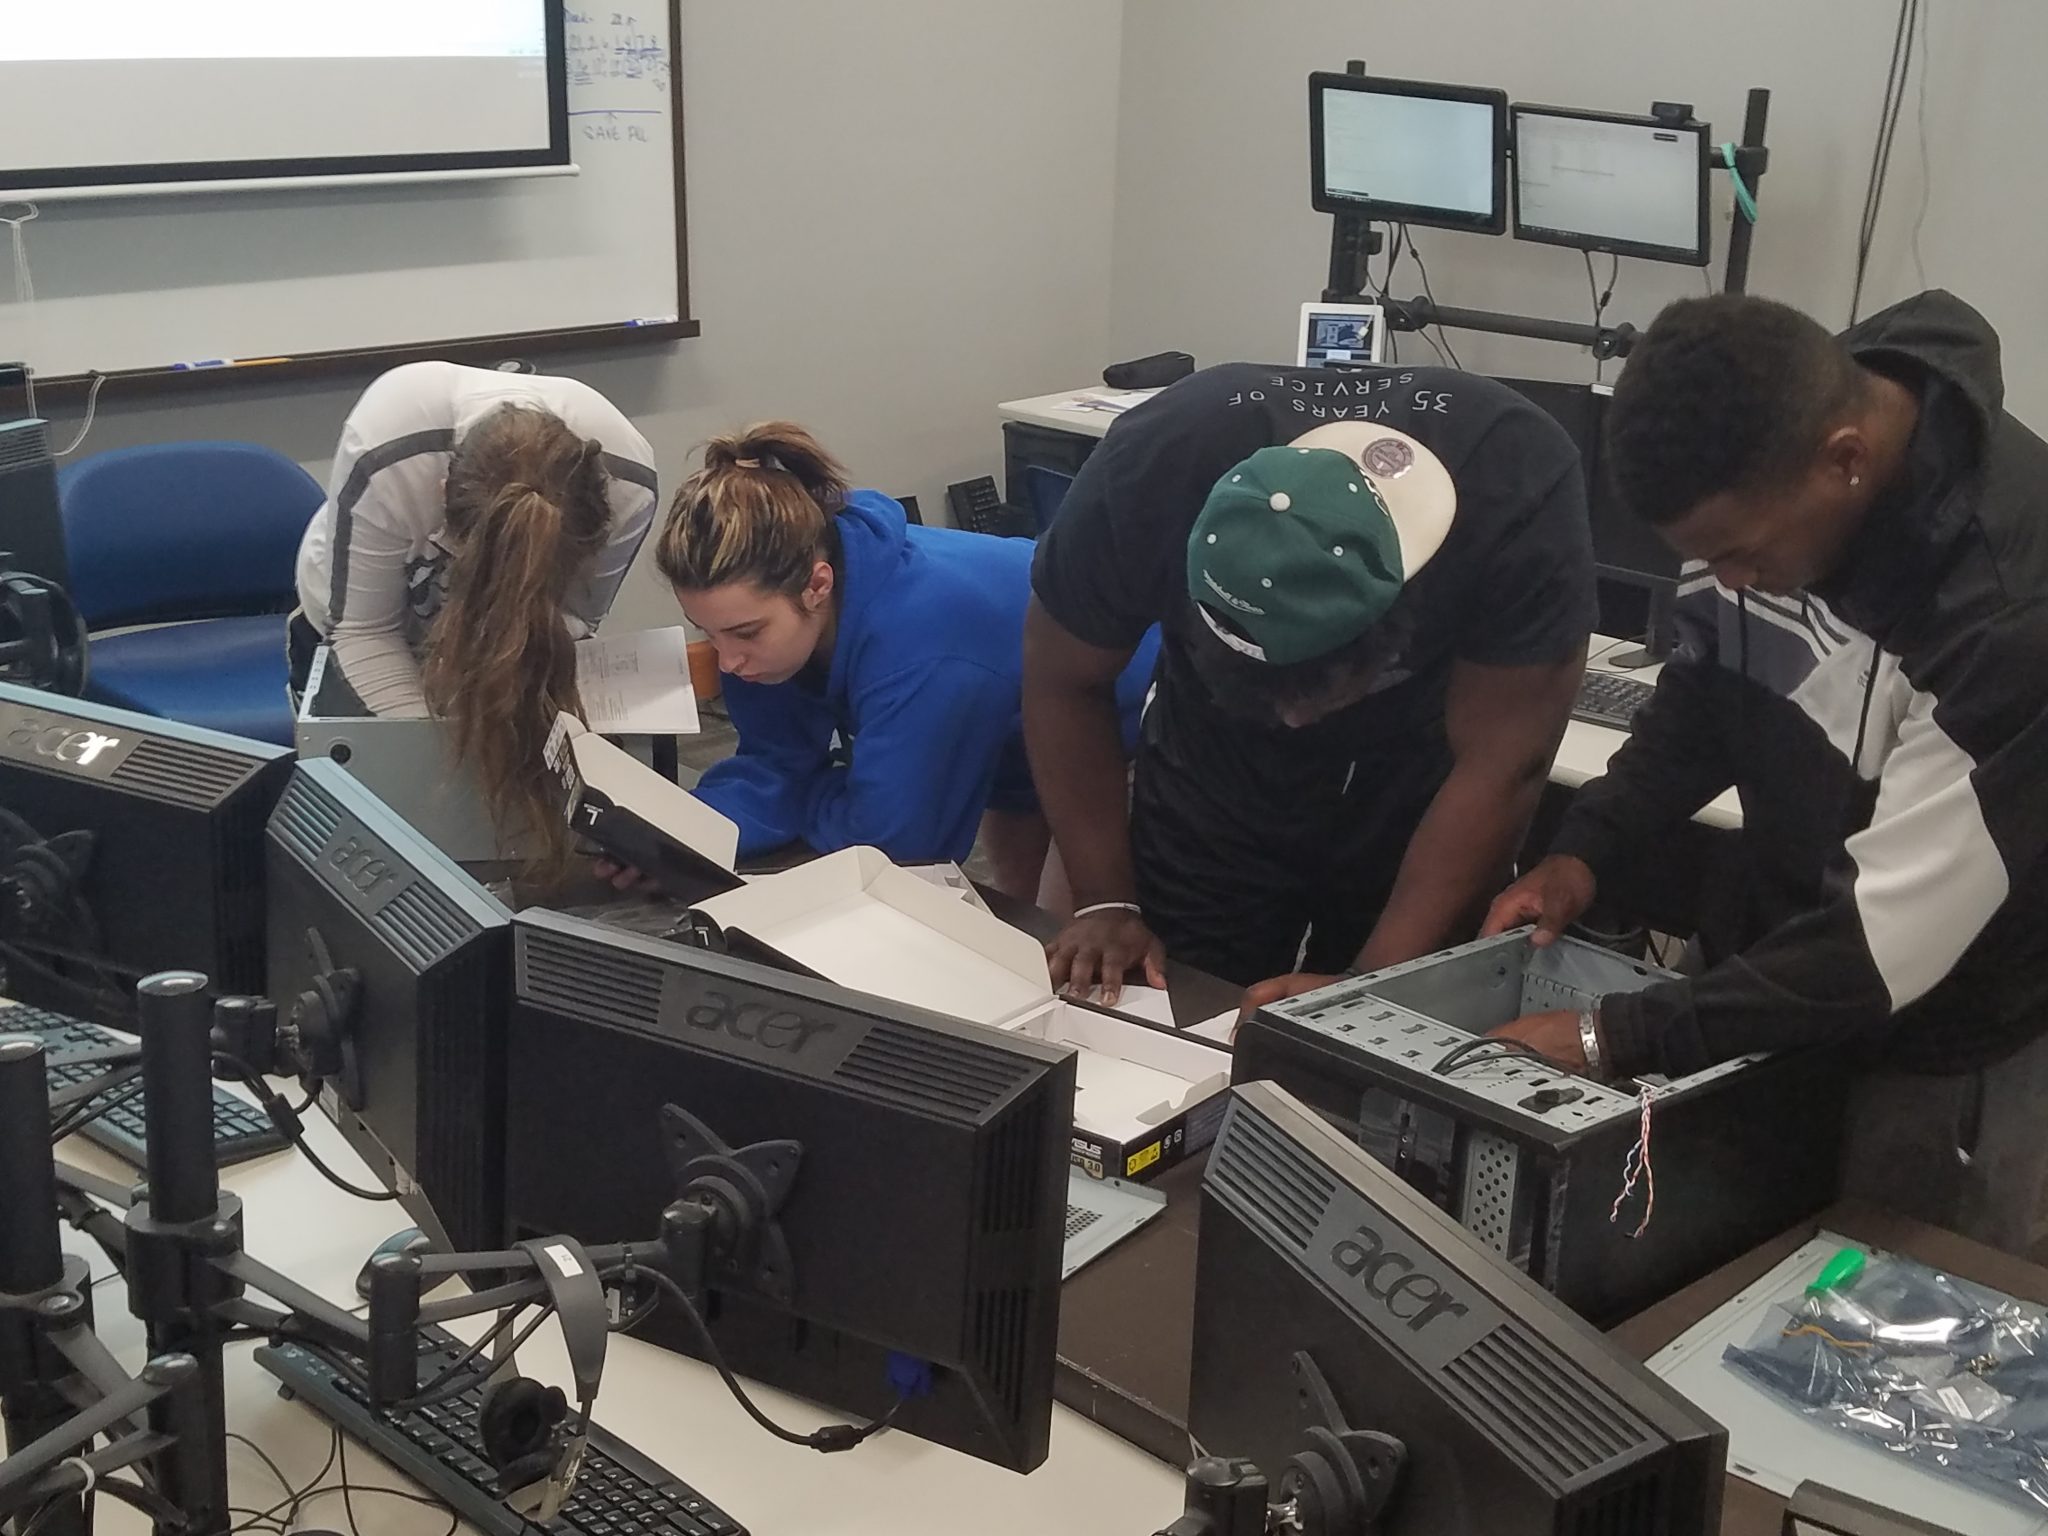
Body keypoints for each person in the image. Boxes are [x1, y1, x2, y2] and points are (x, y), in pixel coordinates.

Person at [1484, 290, 2048, 1255]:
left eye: (1739, 556)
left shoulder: (2000, 616)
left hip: (1942, 1042)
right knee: (1715, 1268)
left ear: (1846, 460)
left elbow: (1880, 950)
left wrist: (1607, 1040)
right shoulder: (1763, 451)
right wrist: (1591, 848)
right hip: (1771, 969)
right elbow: (1708, 693)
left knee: (1887, 1333)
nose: (1730, 581)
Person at [1025, 361, 1596, 1003]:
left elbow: (1502, 763)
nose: (1295, 720)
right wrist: (1105, 900)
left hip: (1422, 769)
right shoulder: (1152, 468)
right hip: (1213, 764)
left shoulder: (1514, 480)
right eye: (1270, 694)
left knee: (1386, 1032)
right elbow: (1060, 681)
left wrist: (1367, 992)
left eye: (1315, 692)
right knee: (1179, 999)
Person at [656, 422, 1155, 892]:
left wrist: (804, 796)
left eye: (744, 634)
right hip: (1007, 732)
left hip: (1130, 721)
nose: (727, 662)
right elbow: (775, 762)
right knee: (1020, 918)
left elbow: (898, 847)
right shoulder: (775, 602)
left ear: (817, 586)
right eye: (709, 634)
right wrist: (683, 834)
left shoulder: (921, 645)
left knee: (1074, 949)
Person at [292, 360, 658, 868]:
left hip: (489, 641)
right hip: (361, 628)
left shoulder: (629, 484)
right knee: (387, 837)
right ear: (441, 495)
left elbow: (571, 627)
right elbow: (363, 631)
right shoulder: (391, 446)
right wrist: (440, 768)